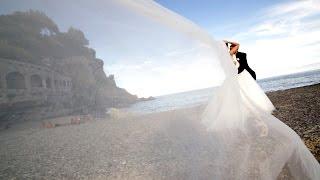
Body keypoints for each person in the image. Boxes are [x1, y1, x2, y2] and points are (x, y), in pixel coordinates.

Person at [201, 40, 320, 179]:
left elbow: (237, 50)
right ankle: (257, 127)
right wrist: (226, 42)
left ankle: (256, 126)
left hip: (242, 82)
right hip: (239, 82)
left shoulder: (228, 57)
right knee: (247, 106)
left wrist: (225, 46)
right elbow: (237, 44)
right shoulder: (228, 56)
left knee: (248, 106)